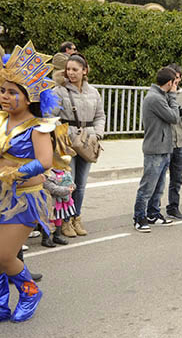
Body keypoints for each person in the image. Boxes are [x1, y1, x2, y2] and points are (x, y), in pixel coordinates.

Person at [0, 41, 69, 321]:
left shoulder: (39, 127)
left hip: (25, 197)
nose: (5, 96)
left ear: (28, 98)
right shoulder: (2, 119)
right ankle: (2, 302)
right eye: (3, 90)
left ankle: (30, 292)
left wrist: (15, 172)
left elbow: (44, 161)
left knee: (4, 256)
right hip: (1, 194)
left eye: (13, 92)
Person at [53, 53, 105, 237]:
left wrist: (97, 134)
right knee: (69, 182)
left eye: (75, 69)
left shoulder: (93, 92)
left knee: (81, 184)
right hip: (67, 142)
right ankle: (65, 221)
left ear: (85, 70)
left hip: (88, 142)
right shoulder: (59, 91)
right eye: (68, 69)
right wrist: (62, 134)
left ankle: (77, 217)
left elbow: (100, 115)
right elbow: (52, 115)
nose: (71, 73)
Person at [133, 67, 180, 232]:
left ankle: (153, 213)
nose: (176, 86)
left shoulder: (161, 96)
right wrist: (173, 96)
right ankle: (139, 217)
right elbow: (173, 117)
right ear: (169, 83)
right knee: (147, 186)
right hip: (155, 148)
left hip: (164, 147)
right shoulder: (155, 98)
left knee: (159, 186)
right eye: (175, 82)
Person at [166, 64, 182, 220]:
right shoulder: (162, 94)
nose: (175, 81)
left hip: (179, 140)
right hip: (164, 141)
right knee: (158, 178)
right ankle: (151, 208)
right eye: (172, 77)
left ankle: (173, 206)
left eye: (177, 77)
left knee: (177, 178)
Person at [41, 166, 75, 247]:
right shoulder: (47, 174)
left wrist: (72, 187)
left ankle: (57, 236)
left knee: (59, 218)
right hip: (51, 202)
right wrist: (66, 190)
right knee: (50, 220)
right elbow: (52, 188)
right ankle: (46, 238)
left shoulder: (66, 172)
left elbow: (72, 183)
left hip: (62, 201)